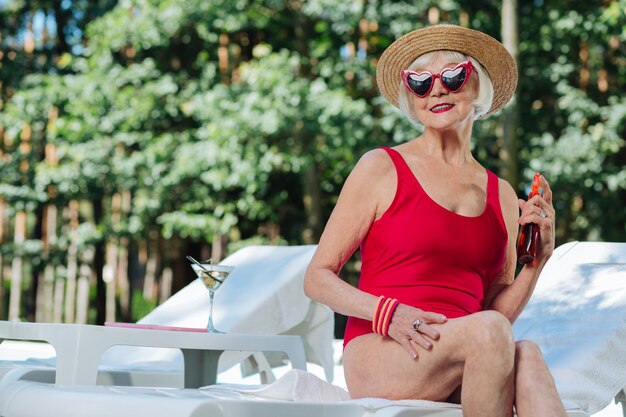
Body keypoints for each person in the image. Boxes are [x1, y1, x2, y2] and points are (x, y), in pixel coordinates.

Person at [304, 24, 566, 417]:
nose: (438, 90)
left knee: (526, 354)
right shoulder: (381, 167)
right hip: (385, 349)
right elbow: (317, 278)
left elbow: (495, 312)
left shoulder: (502, 195)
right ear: (411, 96)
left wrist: (538, 261)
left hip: (467, 353)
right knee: (493, 333)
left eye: (454, 76)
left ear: (479, 86)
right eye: (421, 83)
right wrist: (387, 313)